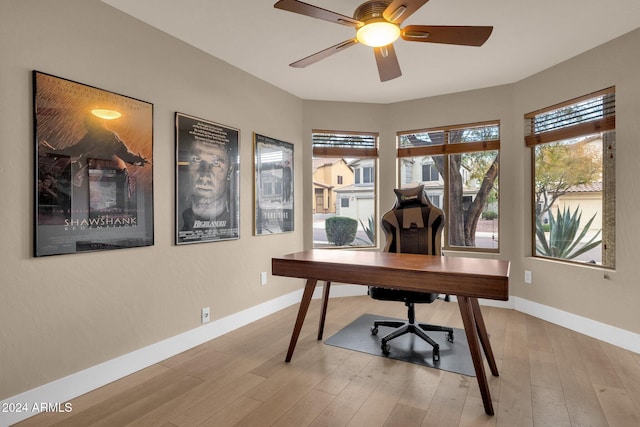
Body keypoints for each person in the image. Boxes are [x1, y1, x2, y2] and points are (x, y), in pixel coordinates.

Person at [181, 138, 234, 231]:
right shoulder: (175, 214)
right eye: (197, 159)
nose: (204, 177)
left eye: (216, 164)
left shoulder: (236, 218)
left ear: (229, 171)